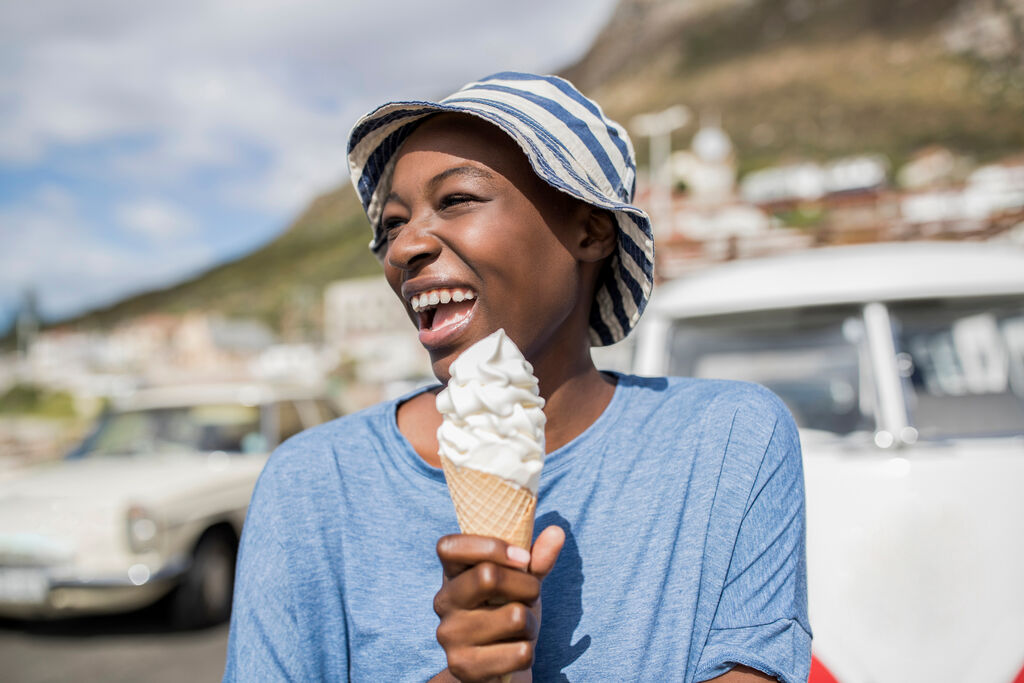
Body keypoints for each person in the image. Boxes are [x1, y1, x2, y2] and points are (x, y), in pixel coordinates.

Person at [223, 72, 811, 682]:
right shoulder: (312, 484)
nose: (402, 249)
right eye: (393, 224)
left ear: (591, 229)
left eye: (455, 200)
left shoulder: (728, 440)